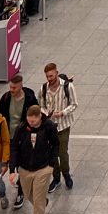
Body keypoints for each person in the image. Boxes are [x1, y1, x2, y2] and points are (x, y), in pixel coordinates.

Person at [8, 105, 59, 214]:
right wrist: (12, 169)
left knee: (38, 203)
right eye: (29, 120)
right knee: (28, 194)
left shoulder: (49, 127)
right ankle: (42, 201)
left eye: (33, 120)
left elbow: (56, 144)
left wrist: (51, 164)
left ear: (40, 117)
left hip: (43, 168)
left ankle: (40, 206)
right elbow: (14, 148)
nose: (31, 122)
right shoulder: (21, 128)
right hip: (24, 169)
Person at [0, 75, 37, 210]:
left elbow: (36, 115)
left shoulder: (30, 97)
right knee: (12, 163)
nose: (11, 90)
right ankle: (19, 185)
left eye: (14, 87)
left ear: (21, 86)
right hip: (9, 138)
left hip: (23, 138)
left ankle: (20, 193)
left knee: (22, 165)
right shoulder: (6, 98)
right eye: (10, 87)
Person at [40, 63, 76, 191]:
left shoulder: (68, 87)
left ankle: (66, 174)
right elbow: (41, 105)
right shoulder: (44, 88)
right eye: (47, 76)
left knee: (62, 152)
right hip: (50, 127)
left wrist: (62, 113)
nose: (49, 78)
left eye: (51, 75)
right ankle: (56, 178)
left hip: (63, 126)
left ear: (56, 73)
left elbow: (74, 104)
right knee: (52, 154)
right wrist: (45, 113)